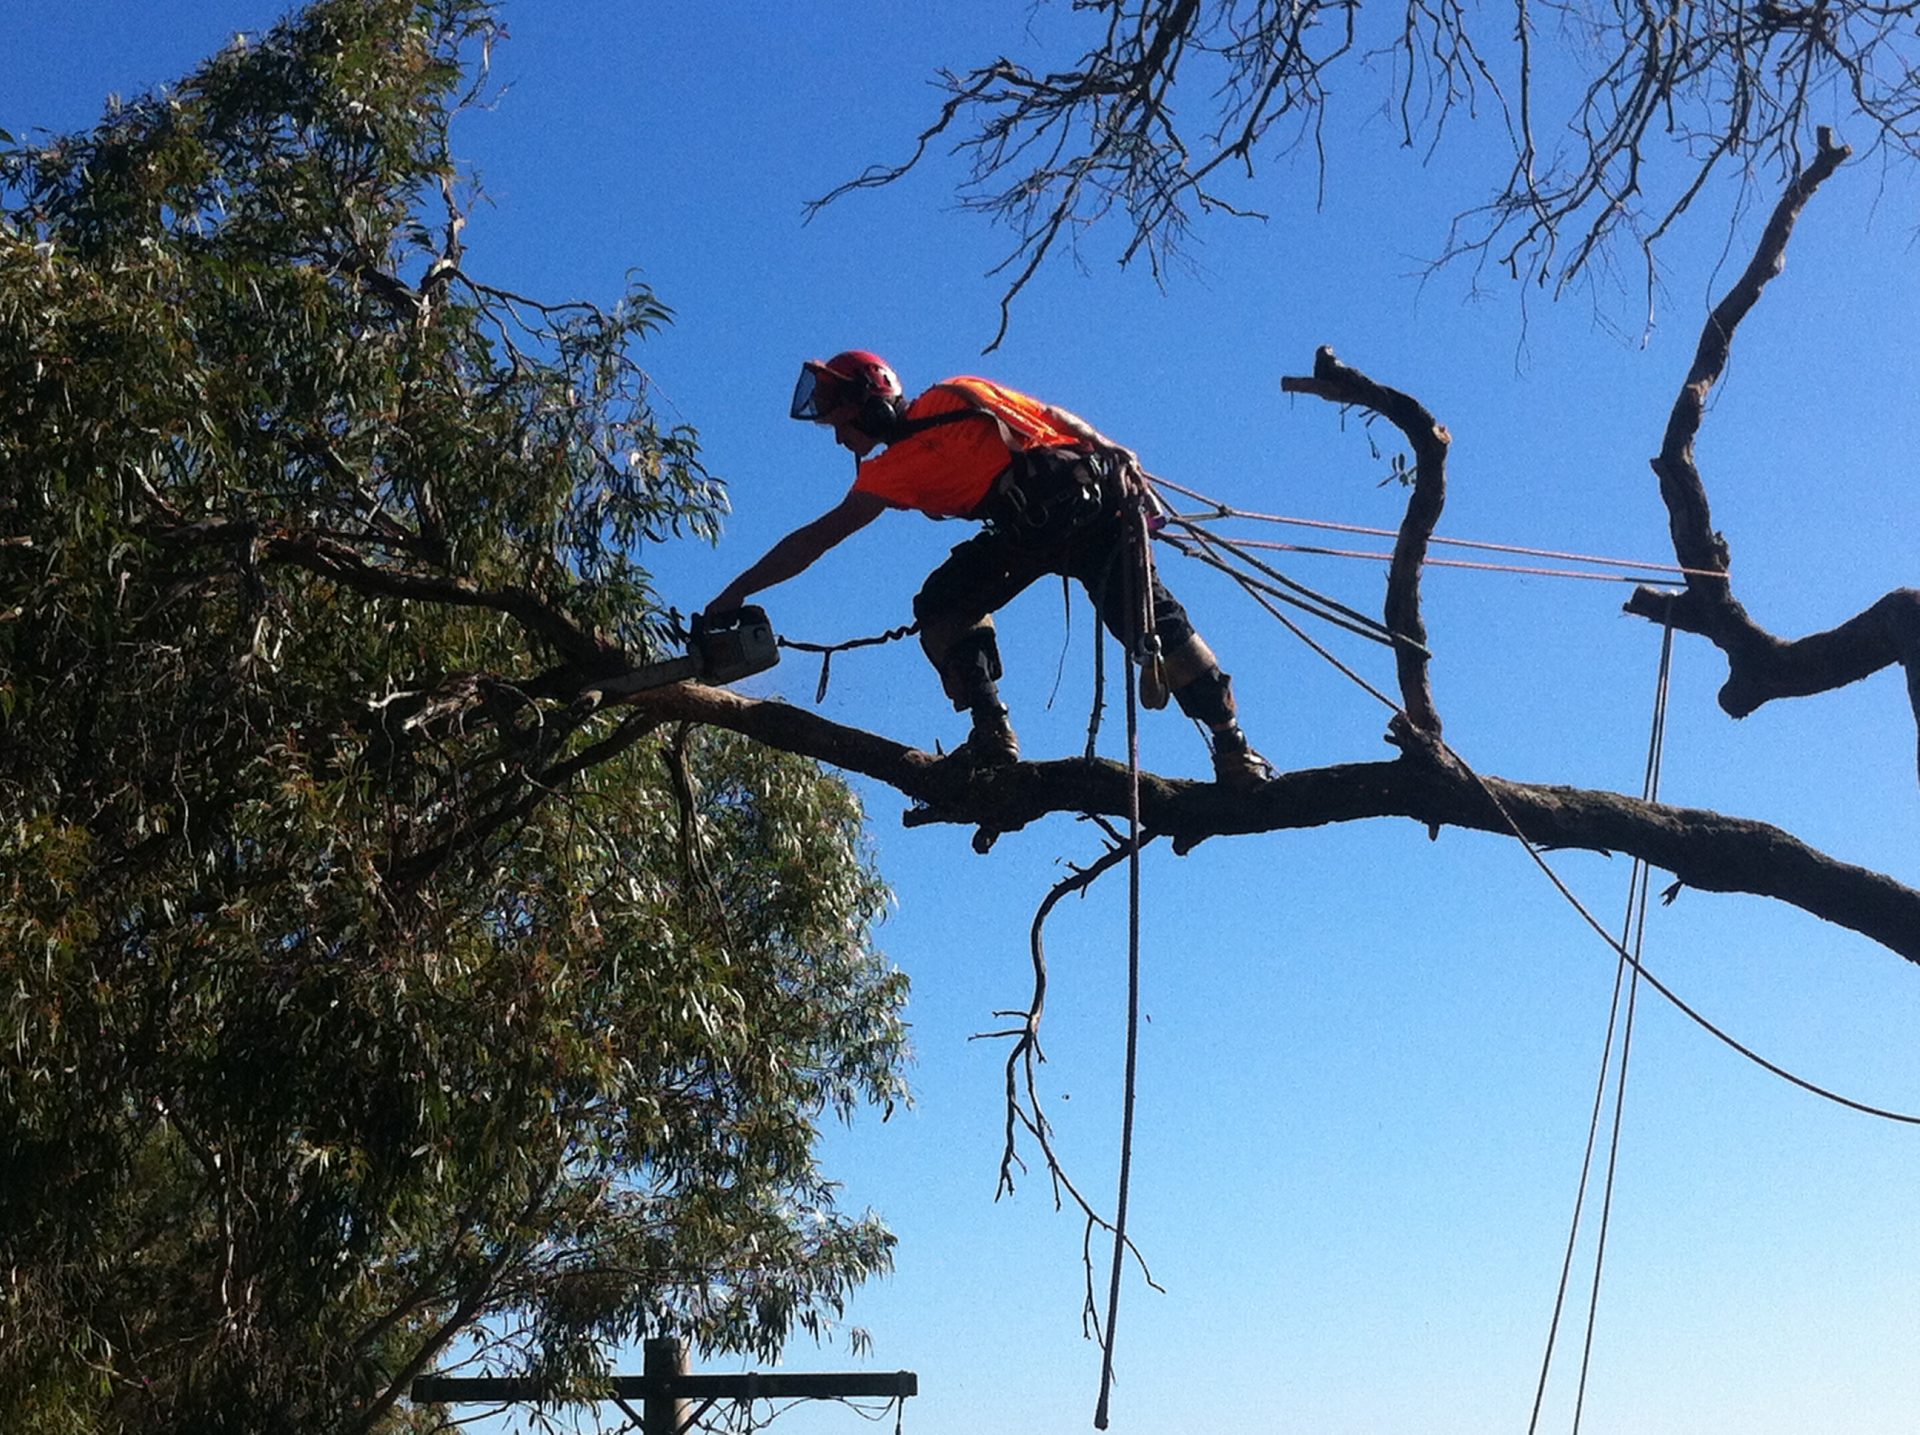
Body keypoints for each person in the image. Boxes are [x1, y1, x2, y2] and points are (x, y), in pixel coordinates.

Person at [705, 350, 1272, 789]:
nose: (837, 436)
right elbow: (1053, 414)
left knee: (1149, 626)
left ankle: (1230, 746)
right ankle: (997, 732)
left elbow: (814, 540)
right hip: (1055, 523)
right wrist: (1111, 448)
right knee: (948, 603)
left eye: (838, 421)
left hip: (1080, 516)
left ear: (868, 405)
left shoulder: (927, 426)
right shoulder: (932, 423)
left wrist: (733, 595)